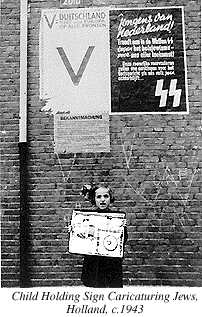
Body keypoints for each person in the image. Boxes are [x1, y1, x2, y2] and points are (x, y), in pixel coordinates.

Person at [68, 183, 128, 288]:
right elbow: (85, 239)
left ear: (110, 198)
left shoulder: (117, 220)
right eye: (99, 197)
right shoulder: (87, 219)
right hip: (93, 264)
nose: (102, 200)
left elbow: (122, 241)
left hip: (111, 264)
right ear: (94, 199)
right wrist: (75, 231)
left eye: (106, 196)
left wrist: (122, 230)